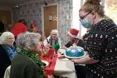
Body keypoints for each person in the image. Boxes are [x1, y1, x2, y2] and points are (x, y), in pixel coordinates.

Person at [69, 0, 117, 77]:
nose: (81, 21)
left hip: (101, 73)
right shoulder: (109, 23)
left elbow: (93, 58)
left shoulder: (99, 28)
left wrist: (75, 61)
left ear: (93, 14)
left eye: (82, 18)